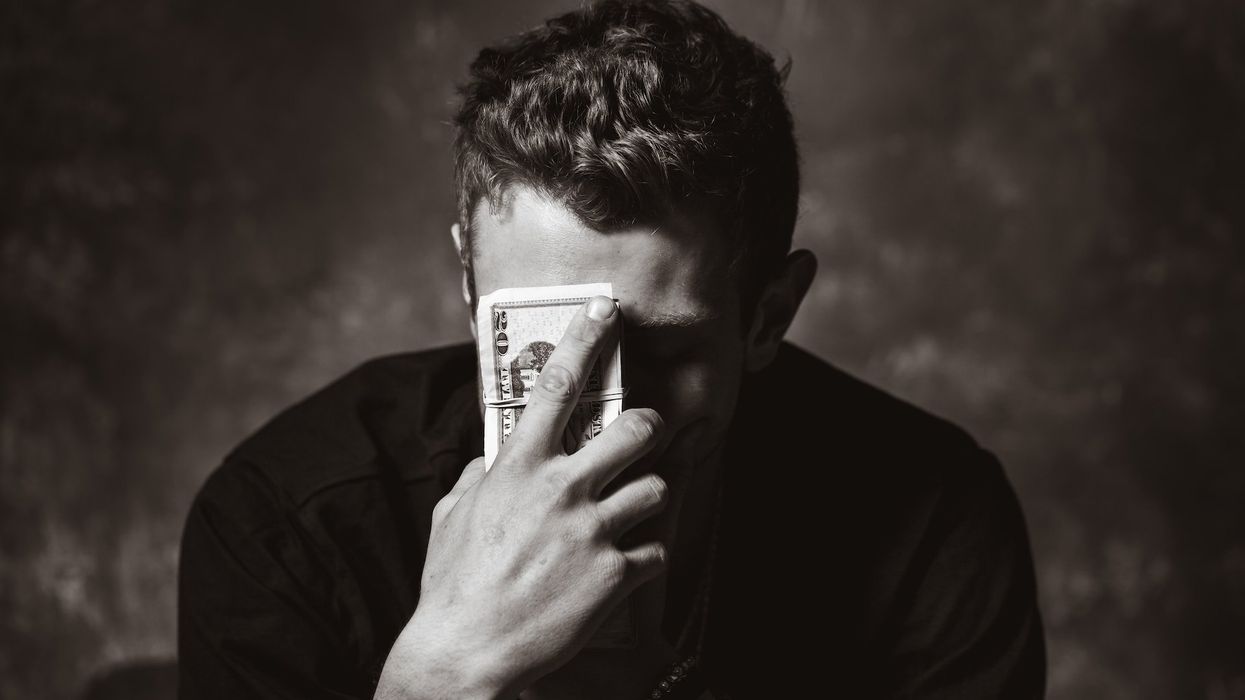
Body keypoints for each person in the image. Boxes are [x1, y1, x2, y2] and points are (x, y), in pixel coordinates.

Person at [178, 1, 1046, 698]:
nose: (605, 411)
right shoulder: (286, 516)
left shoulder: (934, 517)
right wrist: (439, 677)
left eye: (660, 349)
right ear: (471, 286)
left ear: (768, 316)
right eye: (546, 338)